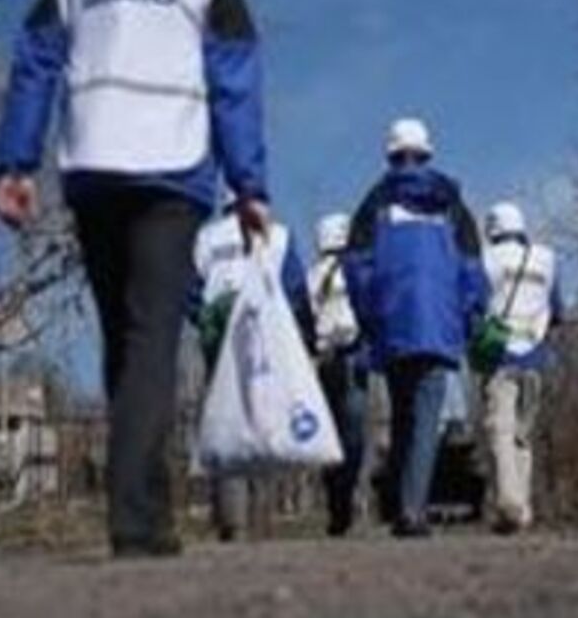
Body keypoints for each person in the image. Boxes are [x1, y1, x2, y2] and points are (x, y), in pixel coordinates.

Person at [0, 0, 271, 557]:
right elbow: (234, 76)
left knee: (123, 335)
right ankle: (136, 516)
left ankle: (146, 510)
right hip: (171, 169)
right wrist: (251, 185)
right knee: (152, 338)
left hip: (91, 165)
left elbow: (34, 59)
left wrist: (16, 162)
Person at [344, 118, 488, 538]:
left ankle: (403, 505)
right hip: (440, 323)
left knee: (404, 414)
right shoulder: (452, 205)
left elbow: (356, 269)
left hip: (392, 323)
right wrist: (466, 314)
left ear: (391, 156)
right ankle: (412, 510)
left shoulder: (373, 204)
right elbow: (472, 270)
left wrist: (371, 317)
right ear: (427, 154)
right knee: (425, 418)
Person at [189, 201, 314, 541]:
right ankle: (261, 517)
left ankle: (233, 519)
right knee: (264, 421)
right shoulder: (280, 236)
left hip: (221, 343)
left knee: (227, 421)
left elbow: (189, 291)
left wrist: (206, 321)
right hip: (266, 340)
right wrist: (301, 337)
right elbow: (296, 290)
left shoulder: (206, 239)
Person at [476, 201, 562, 534]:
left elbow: (473, 305)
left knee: (499, 429)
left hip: (499, 355)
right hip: (536, 357)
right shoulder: (547, 259)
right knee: (523, 436)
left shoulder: (487, 259)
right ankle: (523, 509)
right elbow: (557, 311)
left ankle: (509, 503)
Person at [308, 213, 369, 536]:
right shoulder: (357, 270)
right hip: (351, 355)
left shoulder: (312, 276)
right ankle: (344, 494)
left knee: (331, 435)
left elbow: (305, 318)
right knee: (353, 434)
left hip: (326, 359)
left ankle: (338, 501)